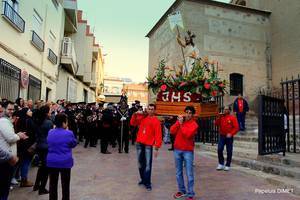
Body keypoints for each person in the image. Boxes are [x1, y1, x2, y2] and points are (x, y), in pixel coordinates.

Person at [130, 104, 162, 191]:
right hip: (139, 143)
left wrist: (157, 147)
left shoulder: (156, 121)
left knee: (148, 165)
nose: (150, 111)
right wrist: (135, 114)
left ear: (154, 111)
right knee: (140, 164)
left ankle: (148, 182)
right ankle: (143, 180)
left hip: (148, 145)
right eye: (149, 109)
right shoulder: (142, 117)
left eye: (152, 109)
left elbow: (158, 135)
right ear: (147, 110)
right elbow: (132, 123)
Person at [0, 101, 28, 200]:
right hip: (5, 159)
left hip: (7, 158)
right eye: (9, 109)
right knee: (3, 189)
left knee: (5, 188)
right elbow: (10, 138)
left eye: (13, 109)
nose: (12, 111)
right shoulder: (3, 121)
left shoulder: (6, 120)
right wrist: (18, 135)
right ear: (3, 109)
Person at [170, 106, 198, 200]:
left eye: (190, 113)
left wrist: (181, 124)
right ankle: (182, 191)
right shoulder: (181, 121)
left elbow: (187, 134)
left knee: (189, 173)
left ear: (192, 114)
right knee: (178, 172)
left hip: (188, 151)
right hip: (177, 149)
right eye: (187, 112)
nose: (188, 114)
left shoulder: (194, 124)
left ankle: (190, 194)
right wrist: (178, 122)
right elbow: (172, 131)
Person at [47, 113, 77, 200]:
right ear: (64, 123)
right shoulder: (69, 133)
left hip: (52, 162)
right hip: (65, 162)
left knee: (52, 185)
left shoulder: (50, 132)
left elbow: (49, 142)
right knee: (65, 185)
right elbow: (73, 144)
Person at [33, 105, 53, 195]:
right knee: (46, 169)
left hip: (39, 146)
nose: (50, 113)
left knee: (41, 167)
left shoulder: (37, 121)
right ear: (46, 113)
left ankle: (36, 185)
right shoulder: (48, 122)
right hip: (46, 147)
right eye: (49, 111)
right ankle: (42, 189)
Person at [215, 106, 239, 171]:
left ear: (229, 110)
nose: (225, 110)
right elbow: (216, 124)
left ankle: (228, 164)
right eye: (224, 109)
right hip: (222, 136)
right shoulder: (221, 117)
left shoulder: (232, 118)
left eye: (226, 109)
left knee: (229, 151)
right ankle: (221, 163)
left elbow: (236, 128)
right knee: (219, 149)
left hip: (229, 137)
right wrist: (218, 117)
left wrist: (231, 134)